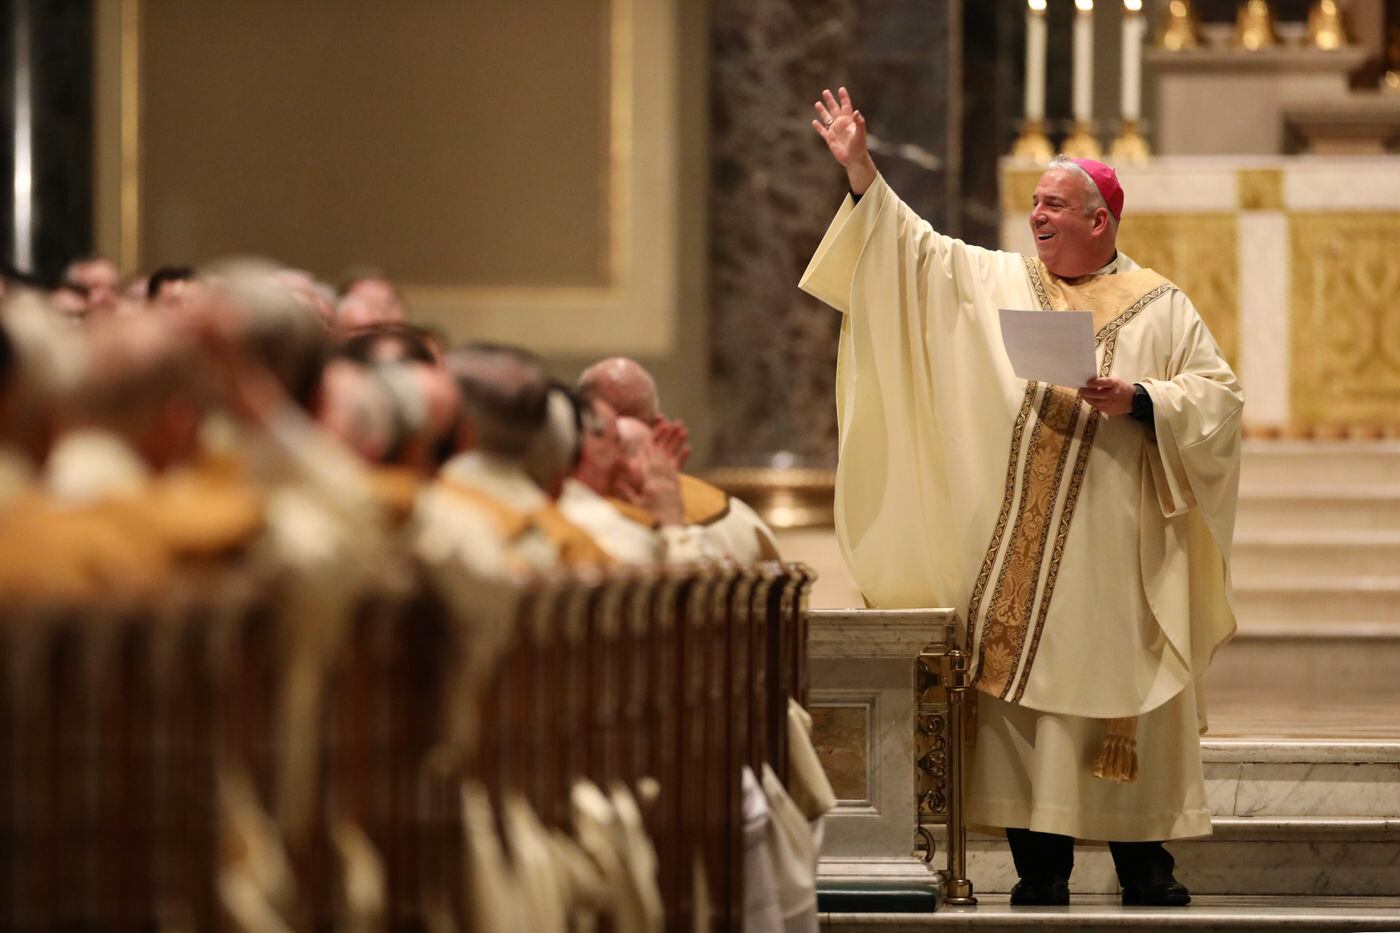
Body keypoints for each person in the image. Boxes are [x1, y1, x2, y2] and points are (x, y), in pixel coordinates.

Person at [801, 87, 1243, 907]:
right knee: (1031, 707)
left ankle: (1147, 865)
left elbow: (1218, 399)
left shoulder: (1162, 304)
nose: (1035, 217)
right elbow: (912, 251)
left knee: (1126, 707)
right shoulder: (1000, 280)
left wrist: (1141, 399)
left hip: (1120, 552)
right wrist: (860, 166)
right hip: (1025, 561)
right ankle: (1043, 868)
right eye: (1033, 204)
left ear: (1099, 219)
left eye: (1052, 205)